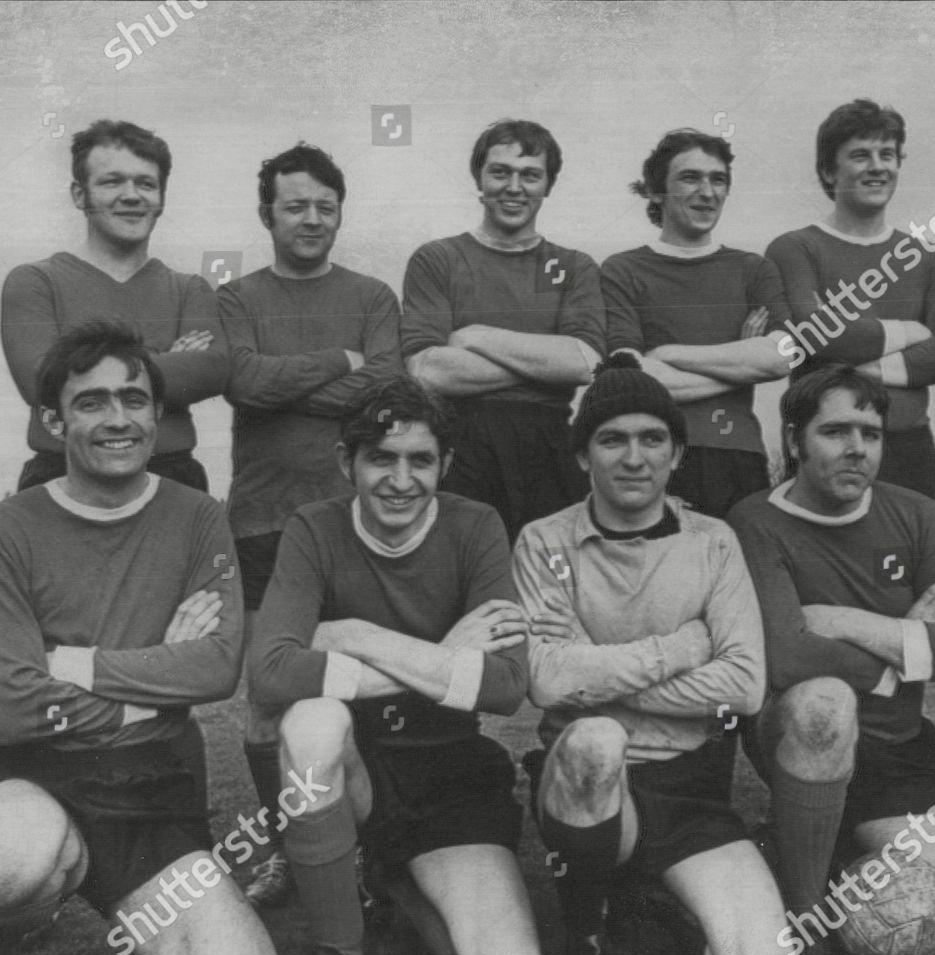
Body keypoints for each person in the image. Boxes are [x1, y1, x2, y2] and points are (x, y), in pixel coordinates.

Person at [0, 321, 280, 955]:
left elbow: (219, 666)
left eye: (134, 398)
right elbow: (10, 709)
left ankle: (89, 875)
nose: (117, 418)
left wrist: (74, 664)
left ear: (156, 415)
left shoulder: (197, 516)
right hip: (36, 778)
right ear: (54, 422)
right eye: (90, 403)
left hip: (151, 798)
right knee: (16, 860)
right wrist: (154, 688)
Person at [249, 378, 539, 955]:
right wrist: (441, 659)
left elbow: (505, 687)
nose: (401, 479)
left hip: (448, 774)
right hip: (357, 766)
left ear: (445, 465)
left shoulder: (476, 526)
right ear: (348, 462)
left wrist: (353, 635)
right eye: (382, 458)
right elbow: (270, 674)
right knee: (311, 724)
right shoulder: (314, 527)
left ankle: (384, 876)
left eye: (421, 460)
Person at [513, 356, 790, 955]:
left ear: (676, 453)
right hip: (584, 775)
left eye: (651, 439)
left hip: (689, 786)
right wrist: (685, 646)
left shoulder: (714, 542)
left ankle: (642, 895)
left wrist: (599, 675)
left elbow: (745, 685)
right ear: (583, 456)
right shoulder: (545, 540)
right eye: (612, 439)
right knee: (596, 740)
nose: (633, 457)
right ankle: (583, 951)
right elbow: (547, 680)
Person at [727, 366, 935, 955]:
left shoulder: (919, 518)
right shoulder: (755, 520)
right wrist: (907, 643)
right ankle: (804, 912)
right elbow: (787, 658)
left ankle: (817, 843)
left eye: (870, 433)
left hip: (898, 749)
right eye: (835, 431)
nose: (857, 449)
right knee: (826, 699)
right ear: (794, 441)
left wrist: (852, 623)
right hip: (799, 730)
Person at [217, 142, 404, 909]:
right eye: (296, 205)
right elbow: (244, 383)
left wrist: (285, 384)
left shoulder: (372, 295)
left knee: (355, 681)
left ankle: (360, 847)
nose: (312, 218)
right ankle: (290, 847)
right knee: (268, 693)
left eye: (325, 206)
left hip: (352, 525)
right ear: (268, 214)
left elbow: (385, 394)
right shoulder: (236, 299)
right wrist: (338, 359)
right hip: (263, 523)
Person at [401, 118, 605, 541]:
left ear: (548, 185)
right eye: (500, 172)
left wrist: (476, 336)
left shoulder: (573, 266)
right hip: (460, 447)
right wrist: (545, 365)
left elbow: (584, 363)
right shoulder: (438, 259)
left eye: (530, 175)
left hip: (550, 449)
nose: (514, 187)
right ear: (479, 177)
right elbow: (427, 371)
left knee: (551, 588)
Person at [0, 118, 229, 494]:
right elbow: (41, 384)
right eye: (111, 181)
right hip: (61, 476)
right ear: (79, 195)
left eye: (145, 183)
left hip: (171, 478)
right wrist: (164, 360)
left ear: (161, 197)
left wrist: (82, 364)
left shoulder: (191, 288)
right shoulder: (33, 282)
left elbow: (213, 371)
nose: (132, 195)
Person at [766, 99, 935, 501]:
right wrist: (909, 332)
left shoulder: (928, 258)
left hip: (908, 446)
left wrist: (858, 369)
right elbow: (816, 332)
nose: (877, 166)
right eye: (860, 155)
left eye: (888, 155)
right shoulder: (794, 249)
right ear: (829, 170)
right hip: (822, 446)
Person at [599, 127, 794, 518]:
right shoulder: (622, 270)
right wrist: (741, 365)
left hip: (740, 456)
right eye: (690, 178)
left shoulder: (754, 269)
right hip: (656, 457)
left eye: (717, 179)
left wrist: (669, 354)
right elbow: (632, 378)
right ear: (656, 191)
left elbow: (782, 357)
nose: (707, 192)